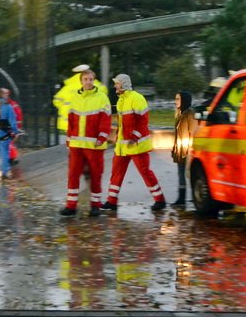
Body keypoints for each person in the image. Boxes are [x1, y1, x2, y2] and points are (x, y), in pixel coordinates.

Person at [102, 73, 167, 211]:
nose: (115, 86)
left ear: (124, 84)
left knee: (145, 172)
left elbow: (143, 121)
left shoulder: (137, 98)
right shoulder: (120, 101)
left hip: (136, 145)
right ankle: (111, 201)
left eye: (117, 83)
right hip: (122, 146)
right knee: (116, 172)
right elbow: (122, 124)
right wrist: (117, 137)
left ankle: (160, 200)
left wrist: (134, 138)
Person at [60, 69, 111, 217]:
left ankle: (95, 205)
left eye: (90, 79)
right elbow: (70, 121)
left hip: (94, 145)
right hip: (76, 145)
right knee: (73, 175)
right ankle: (71, 206)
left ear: (93, 81)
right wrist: (69, 138)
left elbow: (105, 121)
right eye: (85, 79)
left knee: (96, 175)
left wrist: (101, 137)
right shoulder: (74, 97)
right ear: (81, 81)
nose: (88, 82)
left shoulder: (102, 98)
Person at [53, 64, 107, 137]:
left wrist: (65, 107)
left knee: (73, 143)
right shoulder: (97, 85)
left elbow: (56, 101)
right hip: (90, 121)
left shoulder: (67, 87)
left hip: (70, 122)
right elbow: (104, 98)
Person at [171, 91, 199, 207]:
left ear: (184, 100)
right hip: (180, 150)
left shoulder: (190, 114)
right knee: (181, 174)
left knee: (189, 174)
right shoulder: (179, 114)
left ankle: (195, 198)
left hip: (188, 150)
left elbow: (194, 132)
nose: (175, 101)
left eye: (178, 99)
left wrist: (190, 150)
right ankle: (181, 198)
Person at [0, 88, 19, 183]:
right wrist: (15, 132)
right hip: (4, 134)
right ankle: (5, 172)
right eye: (6, 94)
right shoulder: (8, 107)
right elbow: (12, 122)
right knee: (4, 153)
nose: (7, 96)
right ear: (3, 95)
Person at [0, 88, 24, 165]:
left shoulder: (10, 105)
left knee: (8, 143)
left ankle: (10, 159)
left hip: (10, 128)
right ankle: (11, 158)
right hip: (9, 128)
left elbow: (17, 117)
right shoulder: (11, 104)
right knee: (9, 144)